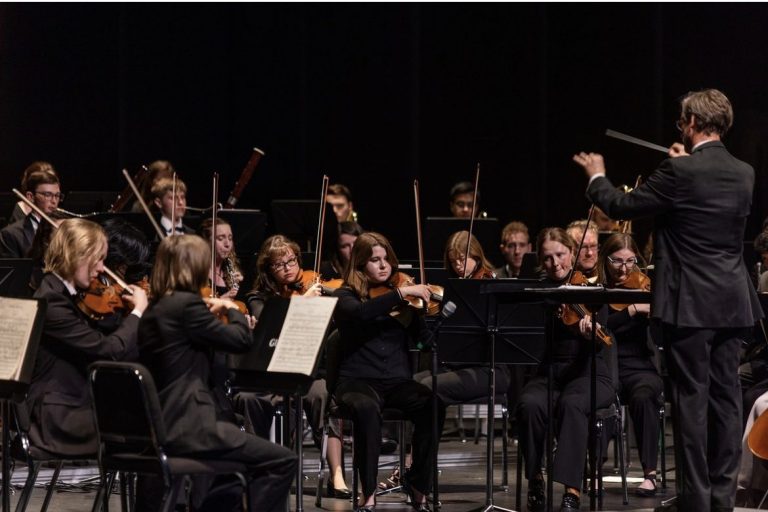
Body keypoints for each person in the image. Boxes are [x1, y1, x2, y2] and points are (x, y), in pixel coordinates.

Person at [573, 88, 764, 512]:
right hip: (732, 301)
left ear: (691, 122)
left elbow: (620, 204)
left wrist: (596, 175)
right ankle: (721, 498)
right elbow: (702, 201)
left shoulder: (678, 172)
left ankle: (696, 500)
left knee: (691, 401)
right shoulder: (744, 172)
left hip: (690, 303)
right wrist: (685, 163)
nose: (680, 128)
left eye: (681, 122)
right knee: (726, 400)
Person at [137, 234, 296, 511]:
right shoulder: (187, 306)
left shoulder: (155, 310)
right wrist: (232, 310)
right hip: (191, 425)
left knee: (229, 479)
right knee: (282, 460)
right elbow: (242, 341)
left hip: (163, 422)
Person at [331, 232, 440, 511]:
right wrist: (400, 294)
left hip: (396, 382)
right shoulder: (345, 296)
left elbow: (421, 342)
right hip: (357, 382)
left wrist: (431, 325)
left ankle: (418, 483)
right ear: (360, 265)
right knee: (366, 409)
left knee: (432, 405)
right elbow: (361, 313)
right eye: (374, 260)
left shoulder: (404, 303)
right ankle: (368, 493)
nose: (383, 266)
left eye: (386, 259)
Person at [27, 218, 148, 456]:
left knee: (156, 415)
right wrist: (137, 312)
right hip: (61, 417)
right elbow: (107, 350)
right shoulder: (52, 301)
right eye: (99, 259)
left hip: (79, 404)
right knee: (157, 425)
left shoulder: (70, 294)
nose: (102, 268)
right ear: (77, 255)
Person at [515, 227, 615, 512]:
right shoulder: (539, 293)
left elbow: (603, 333)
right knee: (529, 404)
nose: (555, 263)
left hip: (589, 372)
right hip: (550, 372)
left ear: (572, 253)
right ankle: (536, 478)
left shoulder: (591, 291)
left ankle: (572, 491)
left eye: (560, 255)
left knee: (572, 404)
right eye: (547, 258)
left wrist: (590, 331)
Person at [245, 235, 352, 498]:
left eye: (291, 260)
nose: (288, 268)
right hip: (274, 374)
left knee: (324, 394)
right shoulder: (258, 297)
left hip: (309, 371)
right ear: (267, 269)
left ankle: (337, 474)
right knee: (262, 401)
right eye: (279, 264)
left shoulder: (314, 285)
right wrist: (304, 302)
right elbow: (271, 326)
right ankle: (264, 469)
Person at [597, 233, 663, 497]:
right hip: (606, 367)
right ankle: (593, 469)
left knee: (644, 396)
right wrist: (632, 310)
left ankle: (650, 474)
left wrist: (655, 312)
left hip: (640, 368)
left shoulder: (645, 287)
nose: (624, 269)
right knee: (595, 395)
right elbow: (602, 327)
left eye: (630, 261)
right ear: (605, 260)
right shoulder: (597, 291)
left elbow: (661, 333)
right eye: (617, 261)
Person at [1, 167, 63, 258]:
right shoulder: (11, 234)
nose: (54, 201)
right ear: (30, 197)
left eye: (57, 195)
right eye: (48, 195)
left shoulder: (64, 228)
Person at [199, 218, 244, 301]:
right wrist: (221, 300)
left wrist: (243, 289)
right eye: (220, 238)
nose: (227, 244)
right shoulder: (196, 274)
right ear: (206, 241)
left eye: (230, 238)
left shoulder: (232, 271)